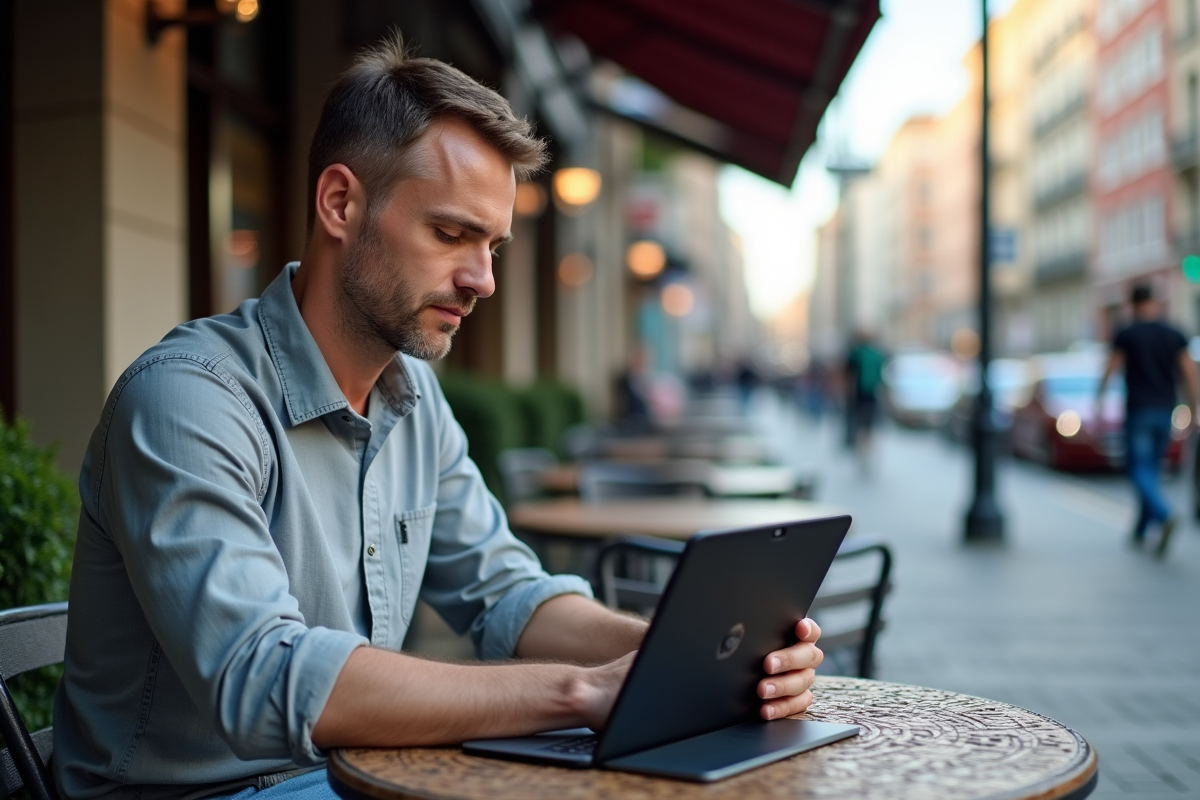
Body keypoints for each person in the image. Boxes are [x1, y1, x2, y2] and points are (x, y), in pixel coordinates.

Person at [53, 36, 826, 800]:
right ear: (340, 203)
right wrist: (578, 693)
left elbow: (503, 593)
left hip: (355, 777)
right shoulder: (191, 398)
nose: (483, 279)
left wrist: (687, 655)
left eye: (493, 246)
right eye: (451, 234)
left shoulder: (413, 399)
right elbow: (264, 679)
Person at [1098, 284, 1198, 556]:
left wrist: (1100, 398)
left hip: (1139, 410)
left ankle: (1162, 514)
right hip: (1165, 410)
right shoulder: (1174, 333)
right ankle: (1142, 529)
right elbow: (1190, 372)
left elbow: (1112, 367)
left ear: (1132, 304)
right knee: (1151, 469)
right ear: (1155, 302)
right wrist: (1193, 408)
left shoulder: (1127, 333)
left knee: (1137, 469)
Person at [843, 330, 886, 466]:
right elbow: (882, 379)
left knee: (859, 425)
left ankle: (861, 453)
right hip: (872, 396)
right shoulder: (877, 355)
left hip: (857, 396)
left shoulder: (855, 354)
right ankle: (868, 451)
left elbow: (848, 376)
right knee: (869, 426)